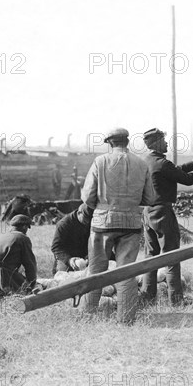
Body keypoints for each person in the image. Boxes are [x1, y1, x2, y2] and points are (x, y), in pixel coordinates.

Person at [81, 127, 155, 324]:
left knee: (95, 270)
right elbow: (150, 198)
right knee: (127, 272)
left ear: (110, 143)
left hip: (102, 223)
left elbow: (87, 196)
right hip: (131, 223)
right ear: (127, 142)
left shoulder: (101, 161)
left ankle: (87, 315)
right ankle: (126, 320)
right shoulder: (141, 163)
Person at [140, 128, 193, 305]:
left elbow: (173, 171)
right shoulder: (162, 163)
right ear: (156, 143)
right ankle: (176, 300)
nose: (167, 143)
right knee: (172, 255)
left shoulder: (146, 162)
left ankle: (147, 297)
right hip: (162, 213)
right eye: (164, 140)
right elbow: (186, 179)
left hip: (147, 213)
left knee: (150, 256)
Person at [0, 214, 37, 302]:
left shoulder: (3, 236)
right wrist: (31, 284)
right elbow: (30, 264)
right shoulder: (22, 238)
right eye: (27, 228)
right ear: (24, 227)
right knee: (24, 291)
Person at [50, 203, 91, 275]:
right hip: (67, 256)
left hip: (85, 256)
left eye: (90, 219)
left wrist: (90, 255)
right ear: (79, 213)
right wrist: (69, 260)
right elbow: (56, 247)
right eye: (85, 218)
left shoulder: (91, 222)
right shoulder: (63, 224)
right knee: (63, 278)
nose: (87, 222)